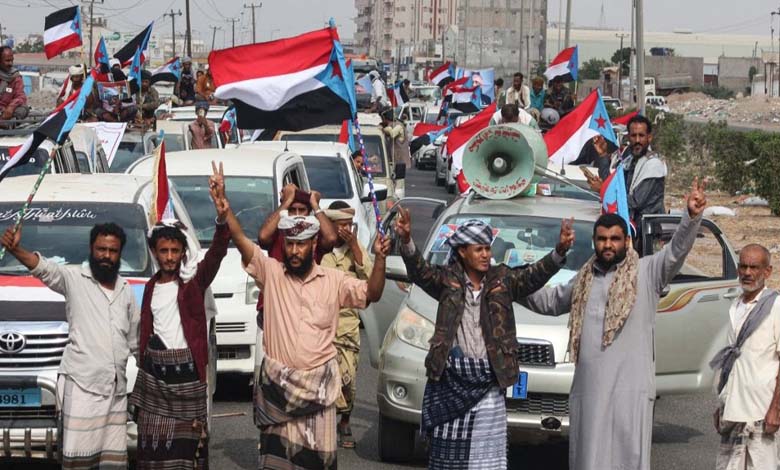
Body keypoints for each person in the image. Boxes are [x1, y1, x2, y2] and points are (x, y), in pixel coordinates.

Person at [208, 162, 390, 469]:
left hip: (319, 396)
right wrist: (225, 210)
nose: (294, 251)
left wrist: (381, 259)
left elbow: (372, 293)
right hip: (278, 394)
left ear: (313, 244)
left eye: (301, 245)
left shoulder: (333, 280)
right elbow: (242, 241)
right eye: (290, 244)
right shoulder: (271, 273)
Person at [520, 178, 708, 470]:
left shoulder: (647, 272)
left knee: (627, 458)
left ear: (626, 242)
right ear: (595, 242)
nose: (608, 244)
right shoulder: (585, 277)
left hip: (630, 390)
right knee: (589, 457)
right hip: (590, 389)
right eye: (602, 239)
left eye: (614, 239)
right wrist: (512, 287)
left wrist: (691, 218)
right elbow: (550, 302)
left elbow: (675, 253)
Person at [393, 208, 575, 469]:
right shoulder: (446, 281)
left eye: (488, 249)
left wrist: (559, 250)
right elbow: (419, 271)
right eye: (478, 249)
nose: (485, 255)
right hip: (451, 382)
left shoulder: (503, 280)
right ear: (462, 252)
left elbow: (533, 276)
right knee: (446, 457)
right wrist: (407, 240)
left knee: (486, 459)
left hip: (489, 383)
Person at [0, 223, 139, 469]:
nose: (106, 256)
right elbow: (42, 268)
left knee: (113, 463)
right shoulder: (73, 278)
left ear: (120, 253)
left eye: (113, 251)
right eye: (101, 249)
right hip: (82, 387)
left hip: (115, 392)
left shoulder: (126, 290)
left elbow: (135, 340)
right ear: (91, 248)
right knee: (78, 460)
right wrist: (15, 249)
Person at [130, 211, 229, 469]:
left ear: (183, 251)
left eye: (175, 250)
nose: (170, 257)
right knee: (151, 448)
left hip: (187, 380)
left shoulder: (193, 283)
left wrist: (221, 220)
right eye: (164, 251)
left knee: (188, 450)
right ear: (154, 252)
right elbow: (146, 332)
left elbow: (217, 253)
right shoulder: (150, 287)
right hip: (156, 381)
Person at [711, 244, 780, 470]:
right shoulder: (736, 305)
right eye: (743, 267)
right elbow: (732, 364)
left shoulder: (775, 306)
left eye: (754, 267)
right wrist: (722, 404)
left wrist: (776, 410)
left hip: (760, 412)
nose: (747, 273)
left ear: (767, 271)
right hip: (734, 411)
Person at [320, 202, 373, 449]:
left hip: (348, 328)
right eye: (341, 225)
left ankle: (345, 419)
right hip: (323, 327)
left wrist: (354, 247)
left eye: (349, 225)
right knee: (324, 379)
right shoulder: (320, 251)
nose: (346, 230)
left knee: (348, 381)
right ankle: (327, 423)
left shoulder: (355, 249)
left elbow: (371, 279)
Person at [588, 115, 667, 227]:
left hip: (647, 231)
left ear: (649, 138)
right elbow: (613, 185)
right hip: (629, 227)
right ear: (629, 137)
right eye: (634, 136)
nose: (637, 140)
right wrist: (603, 155)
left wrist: (603, 189)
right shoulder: (629, 161)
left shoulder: (653, 165)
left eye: (641, 136)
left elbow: (635, 202)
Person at [0, 46, 28, 121]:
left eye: (12, 60)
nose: (10, 63)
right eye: (7, 60)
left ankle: (5, 123)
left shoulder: (15, 76)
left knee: (23, 109)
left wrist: (11, 107)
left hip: (6, 112)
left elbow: (21, 96)